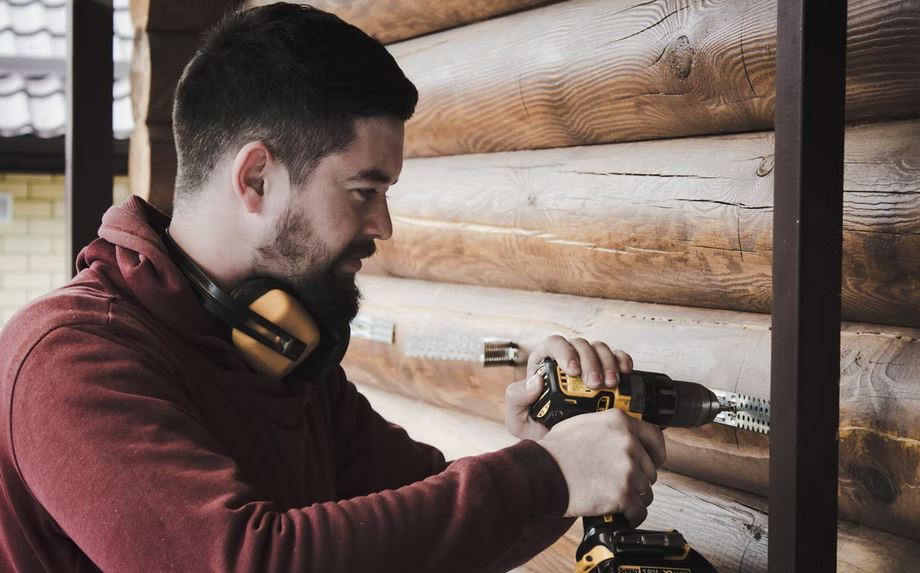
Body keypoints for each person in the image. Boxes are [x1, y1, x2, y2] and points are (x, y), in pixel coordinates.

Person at [0, 4, 666, 571]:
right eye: (363, 190)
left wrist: (547, 452)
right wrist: (548, 475)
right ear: (257, 178)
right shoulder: (69, 355)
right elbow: (246, 559)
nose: (383, 224)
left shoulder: (280, 349)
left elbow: (431, 523)